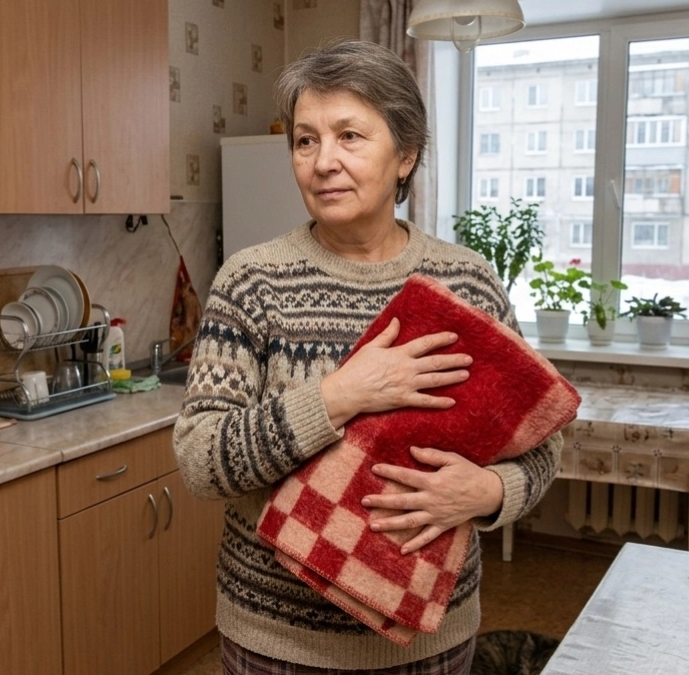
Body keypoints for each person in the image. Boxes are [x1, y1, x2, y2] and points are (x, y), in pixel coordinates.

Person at [173, 39, 562, 674]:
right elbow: (199, 460)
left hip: (431, 641)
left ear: (405, 154)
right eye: (305, 140)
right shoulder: (251, 282)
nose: (323, 161)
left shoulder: (467, 284)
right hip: (279, 644)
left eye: (349, 135)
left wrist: (489, 491)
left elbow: (543, 442)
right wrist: (340, 395)